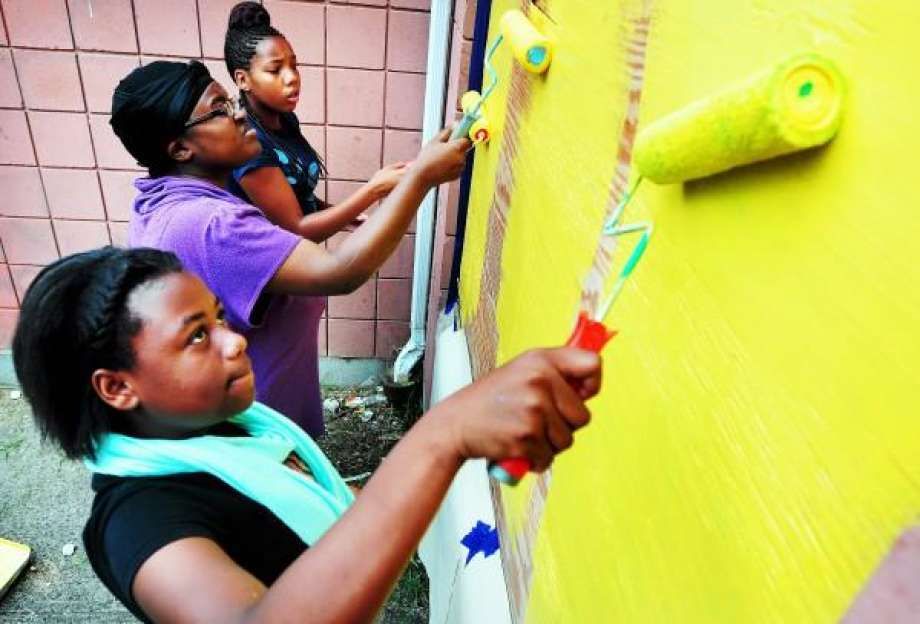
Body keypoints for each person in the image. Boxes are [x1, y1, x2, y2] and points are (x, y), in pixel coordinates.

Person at [12, 246, 603, 624]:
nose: (233, 339)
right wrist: (439, 437)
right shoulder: (140, 524)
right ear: (117, 388)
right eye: (196, 336)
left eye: (219, 316)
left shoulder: (233, 429)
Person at [109, 60, 467, 438]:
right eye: (220, 109)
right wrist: (420, 179)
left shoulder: (160, 202)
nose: (241, 113)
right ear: (180, 149)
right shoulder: (213, 226)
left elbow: (287, 224)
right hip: (258, 431)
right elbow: (340, 272)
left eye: (232, 101)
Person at [224, 1, 405, 240]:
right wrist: (372, 191)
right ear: (243, 79)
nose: (292, 78)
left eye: (294, 66)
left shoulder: (286, 120)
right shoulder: (248, 145)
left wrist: (340, 214)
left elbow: (297, 193)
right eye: (275, 69)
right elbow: (296, 231)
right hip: (265, 271)